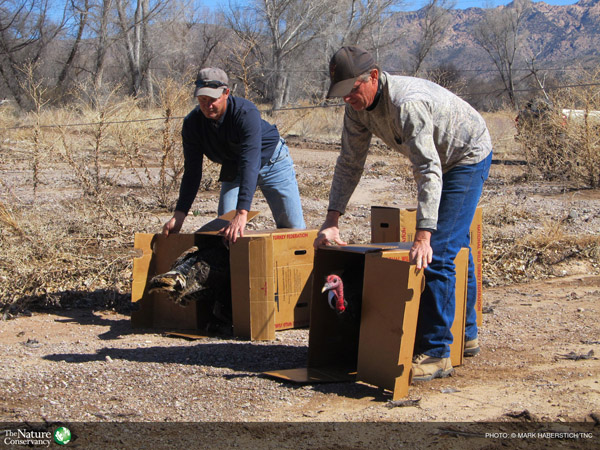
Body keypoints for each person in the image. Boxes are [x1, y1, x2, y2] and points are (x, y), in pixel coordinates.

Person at [314, 46, 493, 382]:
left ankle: (438, 352)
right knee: (456, 243)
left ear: (374, 77)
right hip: (439, 159)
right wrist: (331, 220)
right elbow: (349, 163)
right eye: (341, 94)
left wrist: (424, 234)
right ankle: (465, 334)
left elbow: (428, 169)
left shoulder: (406, 103)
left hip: (466, 155)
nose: (348, 99)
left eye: (353, 90)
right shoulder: (356, 109)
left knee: (438, 251)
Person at [163, 67, 306, 241]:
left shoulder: (245, 113)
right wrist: (180, 214)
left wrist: (242, 212)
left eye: (213, 99)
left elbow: (250, 161)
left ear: (226, 93)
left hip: (272, 162)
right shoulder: (192, 124)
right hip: (235, 166)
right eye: (202, 100)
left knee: (294, 230)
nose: (208, 106)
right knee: (225, 228)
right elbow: (192, 172)